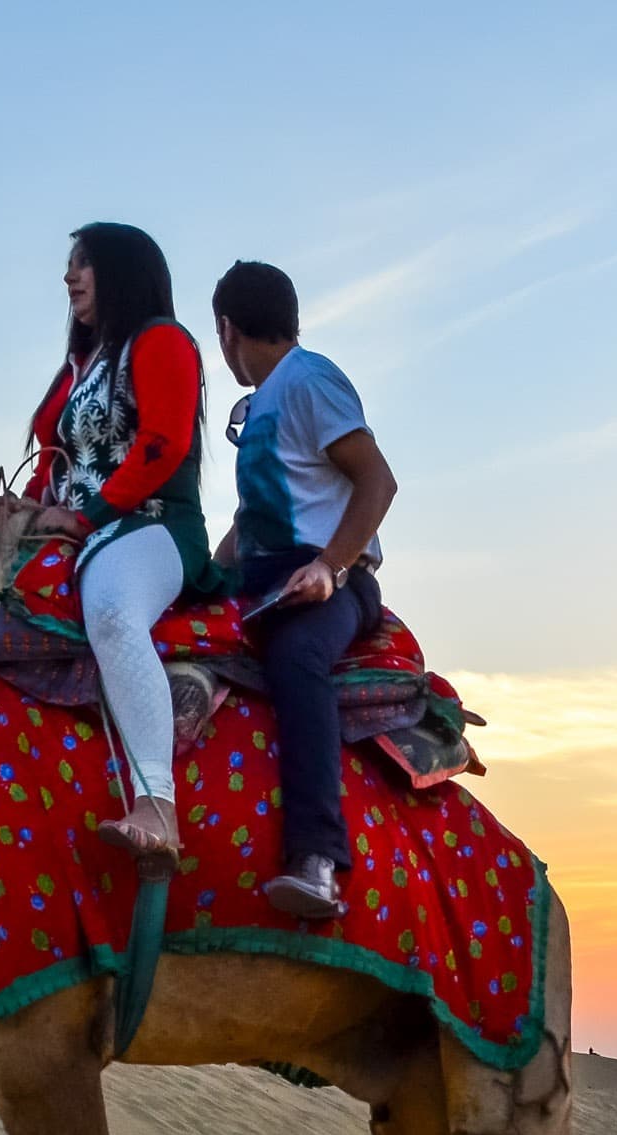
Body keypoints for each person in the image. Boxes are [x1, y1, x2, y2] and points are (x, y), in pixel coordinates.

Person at [4, 223, 227, 864]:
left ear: (122, 272)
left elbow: (163, 445)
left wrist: (88, 516)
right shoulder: (80, 369)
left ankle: (158, 805)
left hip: (152, 526)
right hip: (84, 532)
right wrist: (27, 507)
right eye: (70, 265)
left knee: (111, 613)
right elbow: (60, 462)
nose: (70, 277)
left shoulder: (161, 342)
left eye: (85, 265)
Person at [208, 260, 400, 920]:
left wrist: (330, 567)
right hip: (262, 577)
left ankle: (317, 859)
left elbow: (377, 481)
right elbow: (252, 519)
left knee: (295, 658)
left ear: (227, 328)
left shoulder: (310, 379)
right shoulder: (260, 403)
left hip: (331, 582)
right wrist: (204, 576)